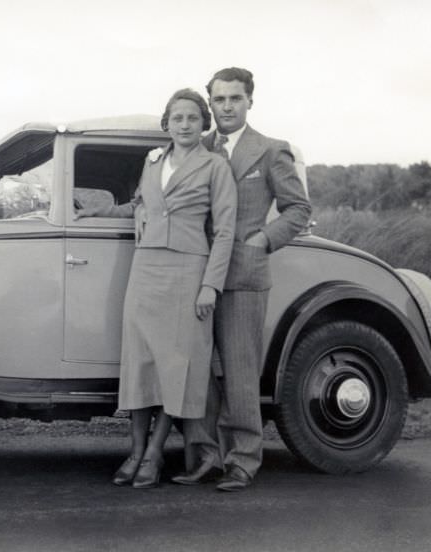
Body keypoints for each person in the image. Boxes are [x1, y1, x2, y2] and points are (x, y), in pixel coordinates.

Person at [77, 88, 237, 488]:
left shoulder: (215, 166)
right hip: (145, 269)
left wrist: (210, 287)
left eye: (193, 119)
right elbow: (138, 204)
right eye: (178, 118)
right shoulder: (152, 162)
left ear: (204, 125)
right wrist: (104, 210)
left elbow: (225, 231)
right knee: (140, 363)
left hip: (188, 272)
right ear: (166, 124)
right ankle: (133, 452)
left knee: (174, 367)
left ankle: (153, 456)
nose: (185, 125)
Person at [176, 67, 312, 492]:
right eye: (219, 100)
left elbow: (298, 210)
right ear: (210, 103)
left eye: (235, 98)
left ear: (250, 101)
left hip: (244, 276)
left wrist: (262, 240)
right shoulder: (195, 146)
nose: (227, 107)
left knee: (239, 371)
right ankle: (206, 456)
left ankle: (244, 460)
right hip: (196, 274)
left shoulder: (272, 151)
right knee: (195, 369)